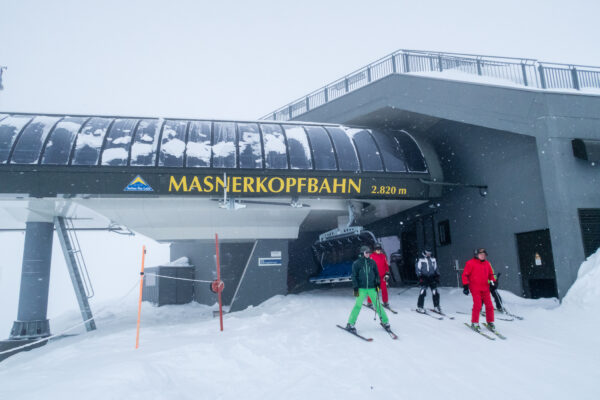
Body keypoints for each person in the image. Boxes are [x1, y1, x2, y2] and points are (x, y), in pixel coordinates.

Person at [346, 245, 390, 333]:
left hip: (371, 288)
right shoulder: (357, 263)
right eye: (367, 252)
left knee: (378, 305)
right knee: (358, 305)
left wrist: (377, 284)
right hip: (361, 288)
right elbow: (354, 276)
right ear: (362, 253)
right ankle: (350, 323)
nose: (368, 254)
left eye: (369, 252)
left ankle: (385, 321)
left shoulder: (372, 262)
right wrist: (355, 288)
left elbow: (377, 274)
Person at [462, 248, 496, 330]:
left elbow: (491, 275)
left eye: (484, 255)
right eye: (481, 254)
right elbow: (465, 275)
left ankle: (490, 322)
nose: (483, 256)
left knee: (489, 305)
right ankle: (474, 322)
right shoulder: (470, 263)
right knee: (478, 305)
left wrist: (492, 282)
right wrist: (465, 286)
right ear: (476, 255)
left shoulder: (487, 264)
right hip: (475, 288)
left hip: (485, 287)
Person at [366, 243, 391, 308]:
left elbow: (386, 265)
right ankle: (369, 302)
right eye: (377, 249)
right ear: (374, 250)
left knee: (384, 289)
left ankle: (385, 302)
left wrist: (387, 273)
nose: (378, 251)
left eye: (379, 249)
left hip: (382, 276)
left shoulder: (383, 256)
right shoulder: (371, 256)